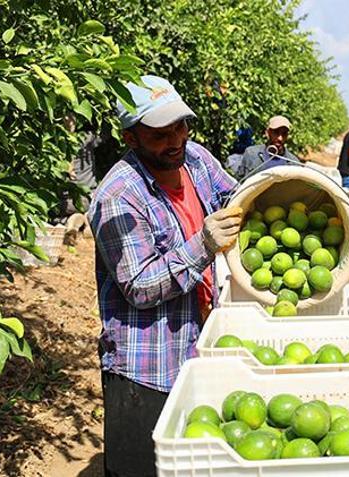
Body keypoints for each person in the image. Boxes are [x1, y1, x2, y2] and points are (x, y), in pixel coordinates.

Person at [88, 75, 240, 476]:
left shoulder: (195, 160)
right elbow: (139, 285)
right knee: (141, 467)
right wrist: (202, 245)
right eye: (159, 134)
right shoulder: (119, 196)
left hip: (200, 345)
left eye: (180, 126)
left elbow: (234, 197)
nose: (174, 140)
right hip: (148, 367)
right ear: (130, 138)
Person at [236, 116, 300, 179]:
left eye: (284, 134)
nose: (280, 138)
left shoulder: (293, 163)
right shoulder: (251, 154)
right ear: (267, 133)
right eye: (276, 132)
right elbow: (240, 181)